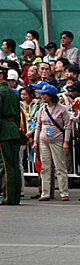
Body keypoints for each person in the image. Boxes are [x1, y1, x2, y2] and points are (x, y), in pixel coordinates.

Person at [32, 83, 71, 201]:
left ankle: (64, 192)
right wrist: (35, 141)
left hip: (57, 140)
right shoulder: (42, 109)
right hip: (44, 140)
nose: (42, 96)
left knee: (60, 167)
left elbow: (67, 126)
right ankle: (45, 192)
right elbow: (38, 125)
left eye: (44, 94)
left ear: (50, 95)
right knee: (45, 167)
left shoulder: (62, 109)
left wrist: (66, 141)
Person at [0, 64, 22, 205]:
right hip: (13, 129)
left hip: (3, 130)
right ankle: (14, 196)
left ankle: (7, 196)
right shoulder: (14, 92)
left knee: (5, 166)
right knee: (14, 164)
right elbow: (18, 116)